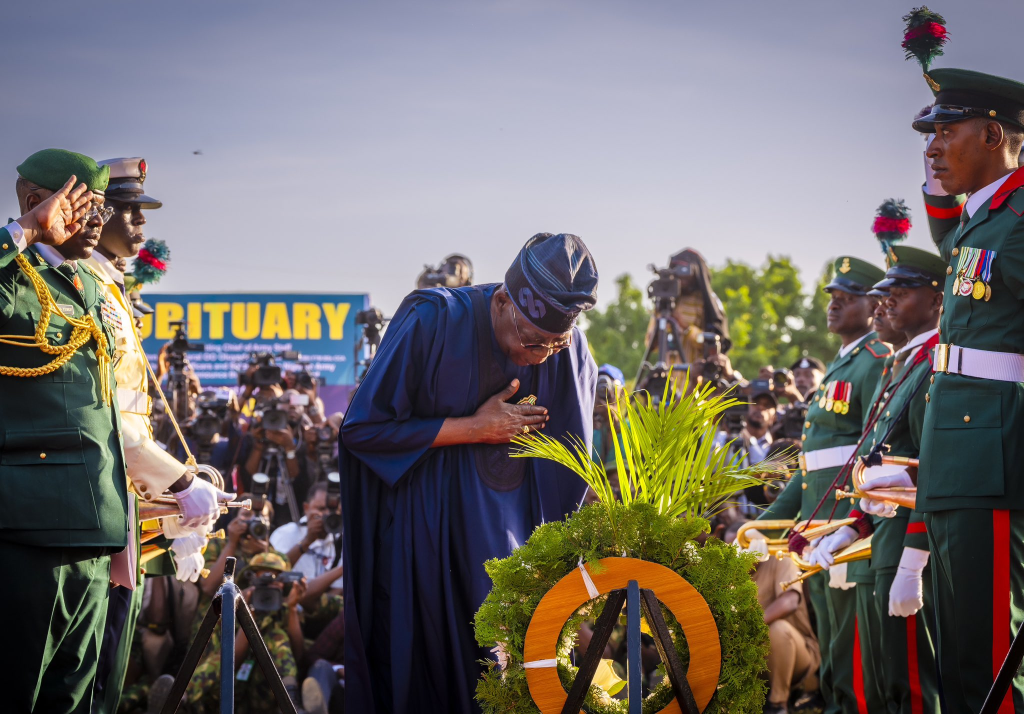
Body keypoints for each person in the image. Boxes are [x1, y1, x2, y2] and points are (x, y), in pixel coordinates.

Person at [341, 232, 599, 714]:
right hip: (427, 547)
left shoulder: (570, 352)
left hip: (514, 545)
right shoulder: (431, 321)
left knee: (508, 681)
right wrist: (473, 428)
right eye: (529, 340)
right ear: (502, 300)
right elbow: (362, 429)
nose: (539, 356)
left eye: (553, 344)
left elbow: (572, 466)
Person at [84, 156, 230, 714]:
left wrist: (173, 505)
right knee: (90, 674)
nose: (141, 224)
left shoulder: (112, 290)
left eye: (143, 211)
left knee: (106, 674)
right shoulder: (90, 290)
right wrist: (181, 481)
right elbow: (106, 418)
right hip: (92, 506)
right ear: (97, 213)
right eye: (128, 210)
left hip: (116, 504)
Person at [914, 68, 1024, 711]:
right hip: (958, 454)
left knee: (986, 655)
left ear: (992, 134)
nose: (931, 147)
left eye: (944, 131)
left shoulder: (1015, 219)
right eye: (929, 133)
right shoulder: (976, 224)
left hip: (995, 453)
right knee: (957, 651)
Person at [748, 256, 891, 714]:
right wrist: (760, 529)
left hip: (849, 532)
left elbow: (877, 455)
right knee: (832, 651)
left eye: (846, 299)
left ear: (873, 306)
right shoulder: (839, 367)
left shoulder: (876, 362)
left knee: (853, 658)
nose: (833, 306)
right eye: (832, 297)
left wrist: (853, 526)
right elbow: (809, 471)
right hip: (817, 535)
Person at [811, 246, 945, 713]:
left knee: (910, 687)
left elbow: (933, 468)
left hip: (909, 544)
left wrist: (912, 558)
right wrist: (852, 525)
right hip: (882, 539)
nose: (885, 302)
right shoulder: (904, 365)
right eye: (884, 293)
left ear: (936, 301)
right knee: (888, 681)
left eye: (899, 292)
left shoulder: (933, 363)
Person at [728, 520, 821, 714]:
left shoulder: (779, 558)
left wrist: (750, 627)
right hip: (754, 661)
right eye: (732, 548)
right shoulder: (730, 575)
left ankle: (778, 704)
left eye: (743, 545)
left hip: (796, 659)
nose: (738, 553)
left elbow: (789, 602)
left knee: (776, 629)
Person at [644, 247, 730, 366]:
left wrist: (685, 327)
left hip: (696, 378)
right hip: (668, 377)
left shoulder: (706, 302)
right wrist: (660, 328)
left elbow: (715, 344)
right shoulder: (666, 300)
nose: (682, 279)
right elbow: (650, 344)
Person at [270, 481, 344, 589]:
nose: (327, 515)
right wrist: (307, 541)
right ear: (306, 508)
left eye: (333, 510)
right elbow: (274, 574)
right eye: (321, 509)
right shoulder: (285, 534)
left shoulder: (342, 540)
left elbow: (338, 590)